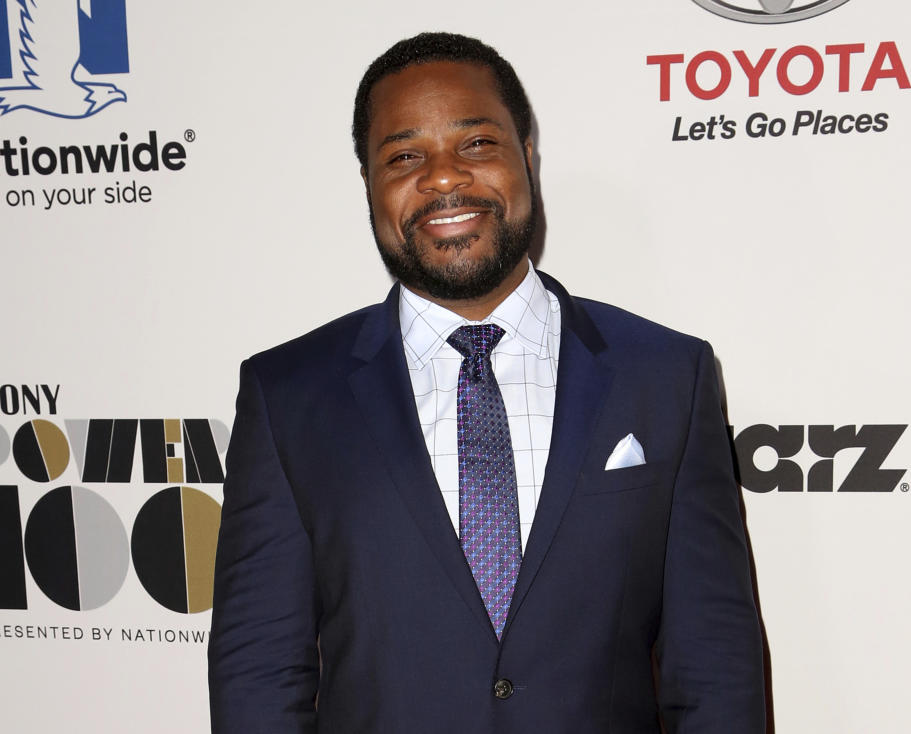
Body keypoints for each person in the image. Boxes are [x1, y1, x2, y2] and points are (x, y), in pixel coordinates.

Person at [208, 32, 765, 734]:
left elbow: (717, 665)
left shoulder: (666, 376)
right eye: (405, 156)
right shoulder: (287, 395)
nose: (443, 177)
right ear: (369, 185)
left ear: (526, 156)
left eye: (475, 144)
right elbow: (259, 670)